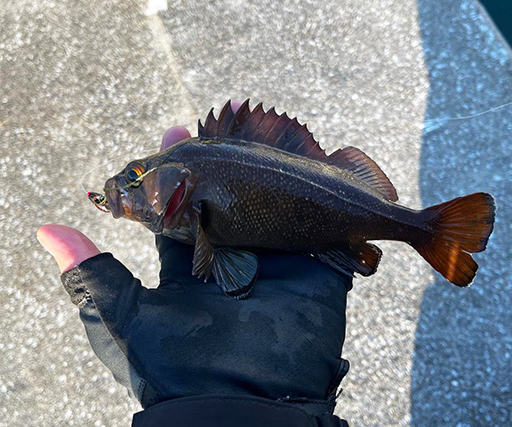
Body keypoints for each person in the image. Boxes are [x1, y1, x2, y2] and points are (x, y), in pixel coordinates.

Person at [37, 102, 353, 426]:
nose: (126, 187)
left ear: (178, 178)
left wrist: (190, 404)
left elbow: (231, 266)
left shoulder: (191, 170)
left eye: (135, 176)